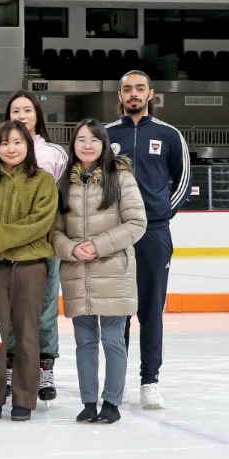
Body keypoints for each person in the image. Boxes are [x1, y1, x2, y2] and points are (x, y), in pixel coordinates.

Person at [107, 70, 191, 410]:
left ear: (151, 94)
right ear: (120, 94)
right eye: (127, 89)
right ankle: (118, 379)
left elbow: (182, 178)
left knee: (151, 309)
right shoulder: (106, 134)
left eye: (139, 88)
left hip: (154, 232)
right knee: (119, 310)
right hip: (115, 234)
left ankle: (149, 381)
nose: (133, 94)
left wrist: (159, 214)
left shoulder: (169, 135)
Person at [53, 120, 147, 425]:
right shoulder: (64, 180)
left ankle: (112, 402)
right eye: (81, 139)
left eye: (94, 140)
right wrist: (70, 249)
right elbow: (54, 231)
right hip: (77, 272)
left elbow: (136, 223)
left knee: (112, 340)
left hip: (112, 270)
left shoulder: (120, 176)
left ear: (104, 144)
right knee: (85, 342)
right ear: (73, 145)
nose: (88, 145)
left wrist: (98, 245)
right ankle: (88, 402)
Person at [0, 121, 58, 421]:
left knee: (28, 334)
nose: (11, 148)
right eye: (5, 143)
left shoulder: (43, 182)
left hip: (31, 268)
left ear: (28, 146)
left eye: (18, 142)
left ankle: (24, 399)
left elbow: (40, 224)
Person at [6, 91, 70, 401]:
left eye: (27, 110)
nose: (21, 114)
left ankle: (45, 369)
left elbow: (64, 200)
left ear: (37, 116)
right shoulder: (0, 152)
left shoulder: (54, 154)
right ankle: (9, 367)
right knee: (8, 308)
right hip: (9, 247)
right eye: (15, 110)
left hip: (45, 245)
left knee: (44, 309)